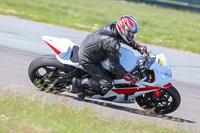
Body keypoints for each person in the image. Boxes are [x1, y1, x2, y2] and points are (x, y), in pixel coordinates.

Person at [72, 15, 147, 99]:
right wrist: (129, 77)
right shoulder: (111, 43)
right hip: (88, 60)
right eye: (130, 33)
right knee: (107, 84)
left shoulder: (114, 27)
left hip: (91, 47)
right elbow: (114, 67)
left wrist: (138, 47)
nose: (132, 36)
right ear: (123, 30)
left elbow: (125, 38)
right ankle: (79, 83)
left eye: (133, 34)